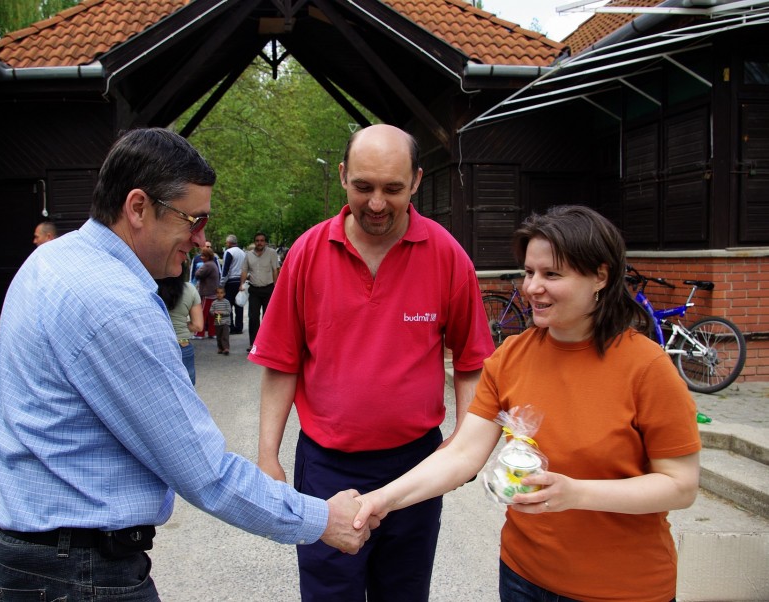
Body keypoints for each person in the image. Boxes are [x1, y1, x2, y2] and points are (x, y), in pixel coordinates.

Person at [0, 128, 373, 602]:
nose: (201, 238)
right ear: (138, 207)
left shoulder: (54, 260)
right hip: (76, 571)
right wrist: (320, 519)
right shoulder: (116, 306)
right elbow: (204, 471)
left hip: (25, 554)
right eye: (193, 219)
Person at [352, 205, 702, 602]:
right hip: (523, 577)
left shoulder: (647, 367)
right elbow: (462, 454)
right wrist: (382, 499)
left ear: (600, 276)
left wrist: (577, 493)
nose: (532, 287)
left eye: (552, 274)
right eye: (529, 272)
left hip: (622, 588)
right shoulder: (511, 356)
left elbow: (680, 486)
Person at [251, 124, 494, 601]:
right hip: (327, 467)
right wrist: (267, 456)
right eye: (363, 186)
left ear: (417, 181)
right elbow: (281, 362)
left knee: (404, 591)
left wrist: (463, 444)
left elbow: (471, 361)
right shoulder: (306, 253)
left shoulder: (447, 255)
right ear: (343, 176)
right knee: (328, 592)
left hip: (415, 465)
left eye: (392, 188)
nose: (377, 203)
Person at [157, 272, 203, 385]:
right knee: (187, 390)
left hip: (157, 347)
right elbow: (198, 326)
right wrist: (181, 324)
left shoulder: (148, 288)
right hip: (182, 345)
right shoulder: (190, 289)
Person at [239, 232, 279, 351]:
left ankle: (268, 343)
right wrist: (241, 284)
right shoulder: (248, 255)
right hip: (254, 289)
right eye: (257, 240)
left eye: (262, 240)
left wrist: (276, 287)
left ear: (265, 242)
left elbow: (275, 270)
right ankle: (254, 344)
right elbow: (244, 270)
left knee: (268, 317)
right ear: (254, 242)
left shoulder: (272, 253)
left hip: (268, 288)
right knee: (253, 317)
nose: (259, 243)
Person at [220, 234, 246, 334]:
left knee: (228, 304)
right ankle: (239, 327)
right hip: (240, 280)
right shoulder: (243, 253)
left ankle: (230, 326)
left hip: (231, 281)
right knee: (239, 304)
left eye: (226, 242)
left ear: (229, 243)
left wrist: (221, 284)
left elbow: (225, 269)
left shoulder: (229, 252)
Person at [194, 247, 219, 339]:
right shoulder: (213, 264)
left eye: (203, 256)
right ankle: (212, 333)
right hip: (213, 293)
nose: (201, 257)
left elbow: (197, 274)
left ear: (208, 257)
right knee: (212, 315)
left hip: (207, 293)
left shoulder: (207, 265)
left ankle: (199, 333)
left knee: (202, 314)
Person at [211, 286, 232, 355]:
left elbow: (229, 311)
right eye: (218, 293)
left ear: (224, 294)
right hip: (217, 322)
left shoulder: (226, 302)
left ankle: (226, 348)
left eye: (221, 293)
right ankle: (220, 348)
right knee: (219, 336)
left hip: (225, 322)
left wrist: (222, 313)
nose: (219, 294)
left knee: (225, 335)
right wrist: (214, 312)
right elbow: (211, 311)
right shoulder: (214, 303)